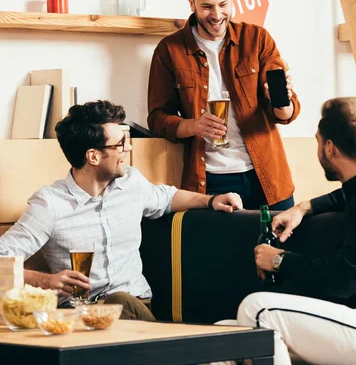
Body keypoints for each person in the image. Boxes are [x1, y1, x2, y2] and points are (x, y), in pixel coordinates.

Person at [0, 100, 242, 321]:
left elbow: (167, 198)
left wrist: (211, 200)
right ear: (93, 156)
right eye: (120, 144)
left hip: (136, 307)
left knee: (121, 301)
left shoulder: (131, 183)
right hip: (79, 316)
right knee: (118, 301)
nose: (128, 150)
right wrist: (46, 281)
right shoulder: (50, 204)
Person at [236, 97, 356, 365]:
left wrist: (279, 260)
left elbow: (348, 278)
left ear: (330, 148)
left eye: (317, 141)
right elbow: (347, 196)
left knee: (258, 309)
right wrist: (304, 207)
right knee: (227, 336)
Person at [147, 0, 300, 211]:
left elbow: (285, 115)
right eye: (207, 6)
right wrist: (193, 125)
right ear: (191, 3)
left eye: (223, 4)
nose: (217, 15)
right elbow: (157, 118)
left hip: (268, 179)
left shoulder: (257, 39)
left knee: (276, 250)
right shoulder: (169, 50)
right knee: (219, 251)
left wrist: (281, 99)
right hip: (209, 181)